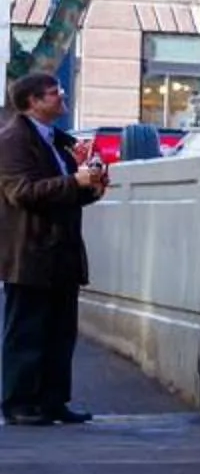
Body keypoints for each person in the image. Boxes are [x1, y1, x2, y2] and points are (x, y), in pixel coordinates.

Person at [0, 73, 110, 425]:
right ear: (32, 102)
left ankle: (52, 400)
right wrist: (72, 181)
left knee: (60, 331)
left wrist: (90, 189)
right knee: (27, 330)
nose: (61, 97)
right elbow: (22, 192)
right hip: (30, 251)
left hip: (60, 250)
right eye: (53, 93)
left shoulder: (57, 140)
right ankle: (18, 403)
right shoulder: (13, 140)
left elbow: (63, 194)